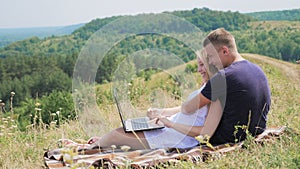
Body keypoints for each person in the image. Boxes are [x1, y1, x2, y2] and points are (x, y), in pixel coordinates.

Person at [87, 49, 220, 150]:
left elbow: (204, 131)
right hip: (169, 129)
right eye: (198, 65)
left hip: (179, 138)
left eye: (202, 65)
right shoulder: (205, 86)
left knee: (117, 134)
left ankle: (91, 148)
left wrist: (170, 124)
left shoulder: (213, 90)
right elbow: (185, 109)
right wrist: (162, 112)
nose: (198, 70)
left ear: (212, 64)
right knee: (123, 131)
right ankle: (104, 142)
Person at [182, 28, 271, 145]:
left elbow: (188, 108)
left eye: (211, 56)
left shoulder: (223, 77)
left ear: (225, 51)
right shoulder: (257, 70)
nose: (211, 62)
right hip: (255, 134)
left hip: (226, 140)